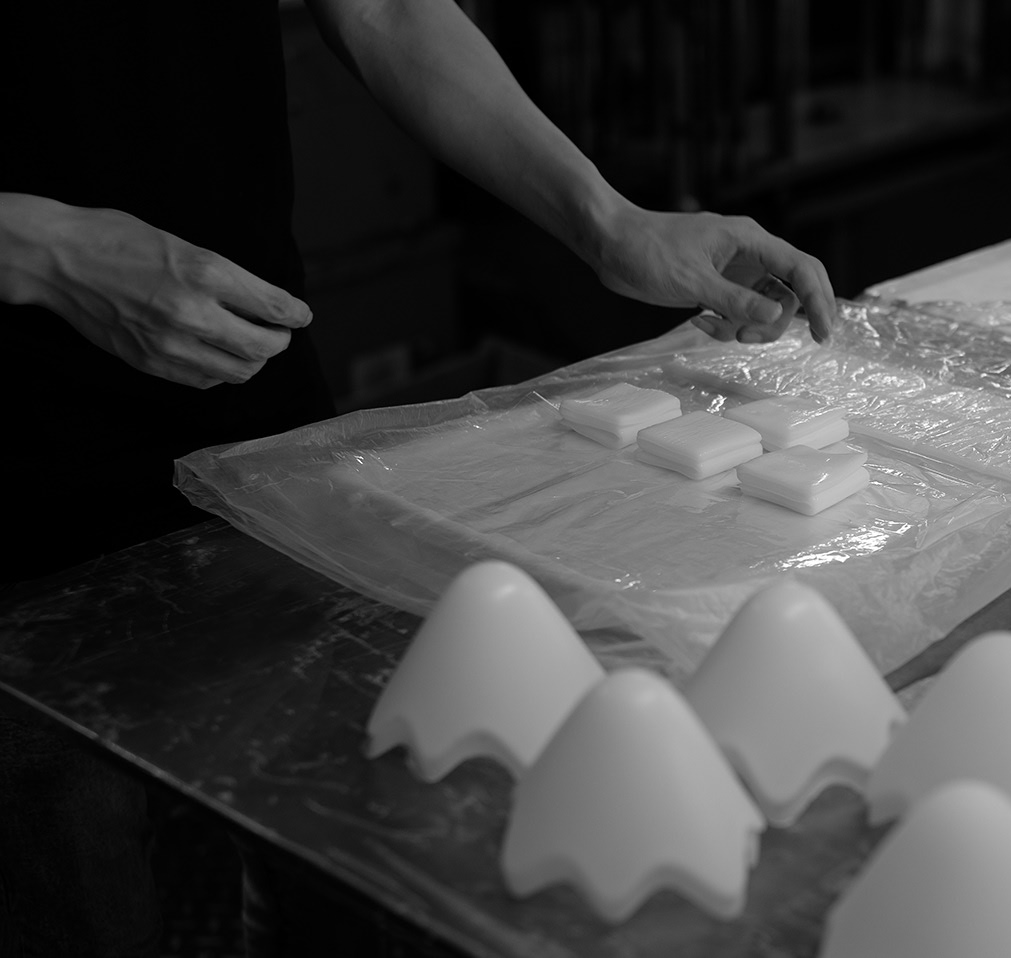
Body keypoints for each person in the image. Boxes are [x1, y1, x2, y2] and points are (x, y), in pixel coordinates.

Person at [0, 1, 837, 955]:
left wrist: (608, 222)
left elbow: (390, 11)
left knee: (337, 845)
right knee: (78, 881)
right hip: (20, 489)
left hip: (242, 403)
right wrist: (43, 250)